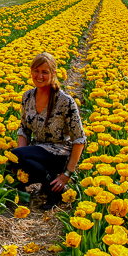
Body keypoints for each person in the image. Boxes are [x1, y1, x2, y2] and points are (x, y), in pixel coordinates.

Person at [11, 52, 86, 210]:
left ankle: (53, 187)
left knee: (16, 155)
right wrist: (19, 159)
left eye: (45, 72)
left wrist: (67, 174)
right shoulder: (27, 97)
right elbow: (24, 129)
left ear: (54, 74)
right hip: (36, 154)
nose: (39, 76)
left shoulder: (65, 101)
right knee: (12, 160)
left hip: (58, 154)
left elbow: (79, 139)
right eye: (36, 71)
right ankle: (49, 182)